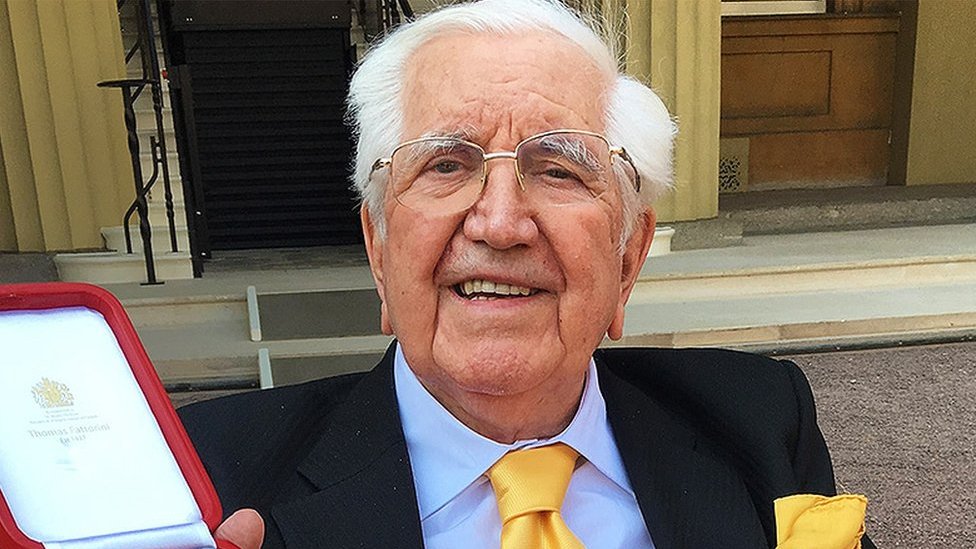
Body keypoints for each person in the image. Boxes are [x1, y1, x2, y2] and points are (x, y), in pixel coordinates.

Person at [188, 1, 874, 547]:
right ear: (379, 248)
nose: (500, 222)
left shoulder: (759, 419)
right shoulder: (206, 476)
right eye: (446, 164)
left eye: (558, 170)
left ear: (628, 257)